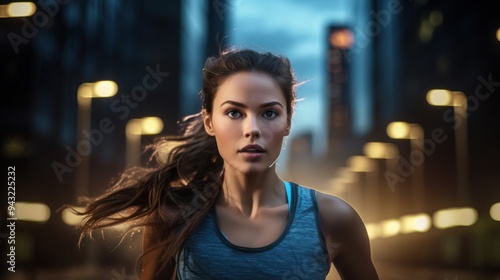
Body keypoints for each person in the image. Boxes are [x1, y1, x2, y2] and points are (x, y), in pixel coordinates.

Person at [76, 49, 379, 279]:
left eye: (269, 113)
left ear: (288, 121)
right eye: (234, 113)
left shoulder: (332, 218)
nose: (252, 129)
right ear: (209, 122)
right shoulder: (173, 214)